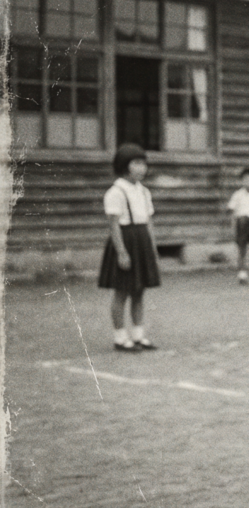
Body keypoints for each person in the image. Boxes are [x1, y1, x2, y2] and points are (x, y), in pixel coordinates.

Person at [98, 143, 161, 352]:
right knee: (122, 292)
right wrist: (121, 252)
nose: (142, 168)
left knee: (139, 291)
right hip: (126, 241)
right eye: (136, 163)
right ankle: (120, 337)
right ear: (125, 165)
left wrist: (153, 248)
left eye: (144, 164)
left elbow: (149, 222)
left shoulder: (144, 191)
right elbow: (114, 225)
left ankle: (138, 336)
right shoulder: (116, 192)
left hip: (142, 242)